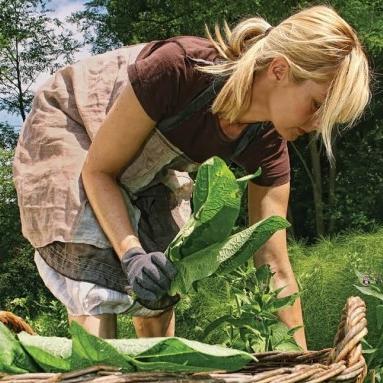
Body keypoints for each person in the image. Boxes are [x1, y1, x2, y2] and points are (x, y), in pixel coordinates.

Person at [12, 4, 370, 349]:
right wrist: (131, 254)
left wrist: (300, 363)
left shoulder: (268, 143)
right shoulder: (180, 70)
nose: (316, 124)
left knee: (162, 282)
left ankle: (159, 375)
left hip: (145, 170)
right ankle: (92, 372)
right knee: (97, 278)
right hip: (74, 131)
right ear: (279, 70)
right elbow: (100, 171)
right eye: (317, 105)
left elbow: (274, 264)